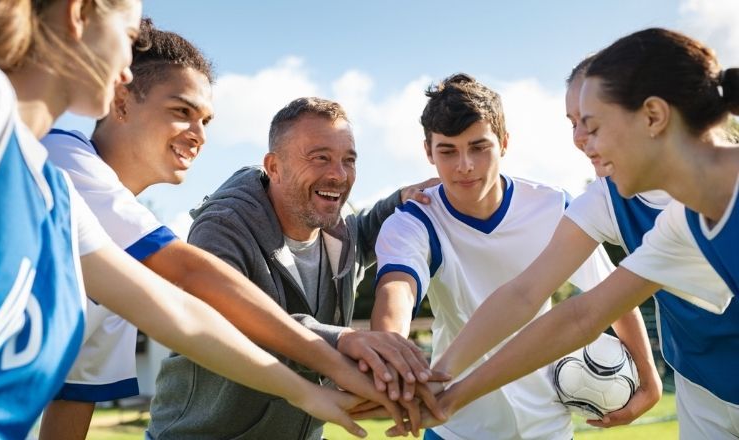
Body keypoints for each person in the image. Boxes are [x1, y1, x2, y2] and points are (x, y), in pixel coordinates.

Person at [0, 1, 381, 438]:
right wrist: (334, 350)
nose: (201, 135)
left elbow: (173, 321)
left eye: (205, 119)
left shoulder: (71, 211)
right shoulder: (46, 152)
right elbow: (188, 276)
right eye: (182, 111)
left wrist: (308, 390)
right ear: (77, 14)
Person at [413, 28, 739, 440]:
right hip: (707, 388)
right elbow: (581, 313)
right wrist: (445, 392)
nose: (582, 143)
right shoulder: (679, 227)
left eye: (593, 126)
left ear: (653, 116)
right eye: (574, 124)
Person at [369, 73, 655, 440]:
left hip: (547, 425)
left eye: (478, 147)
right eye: (447, 151)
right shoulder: (413, 220)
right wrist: (392, 358)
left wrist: (648, 380)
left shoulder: (554, 206)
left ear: (503, 143)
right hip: (456, 427)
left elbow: (611, 294)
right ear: (428, 152)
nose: (464, 166)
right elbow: (397, 290)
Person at [147, 96, 442, 439]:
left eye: (349, 160)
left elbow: (366, 229)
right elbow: (235, 320)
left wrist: (402, 200)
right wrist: (342, 339)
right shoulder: (222, 227)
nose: (339, 174)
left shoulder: (341, 231)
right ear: (273, 166)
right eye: (320, 158)